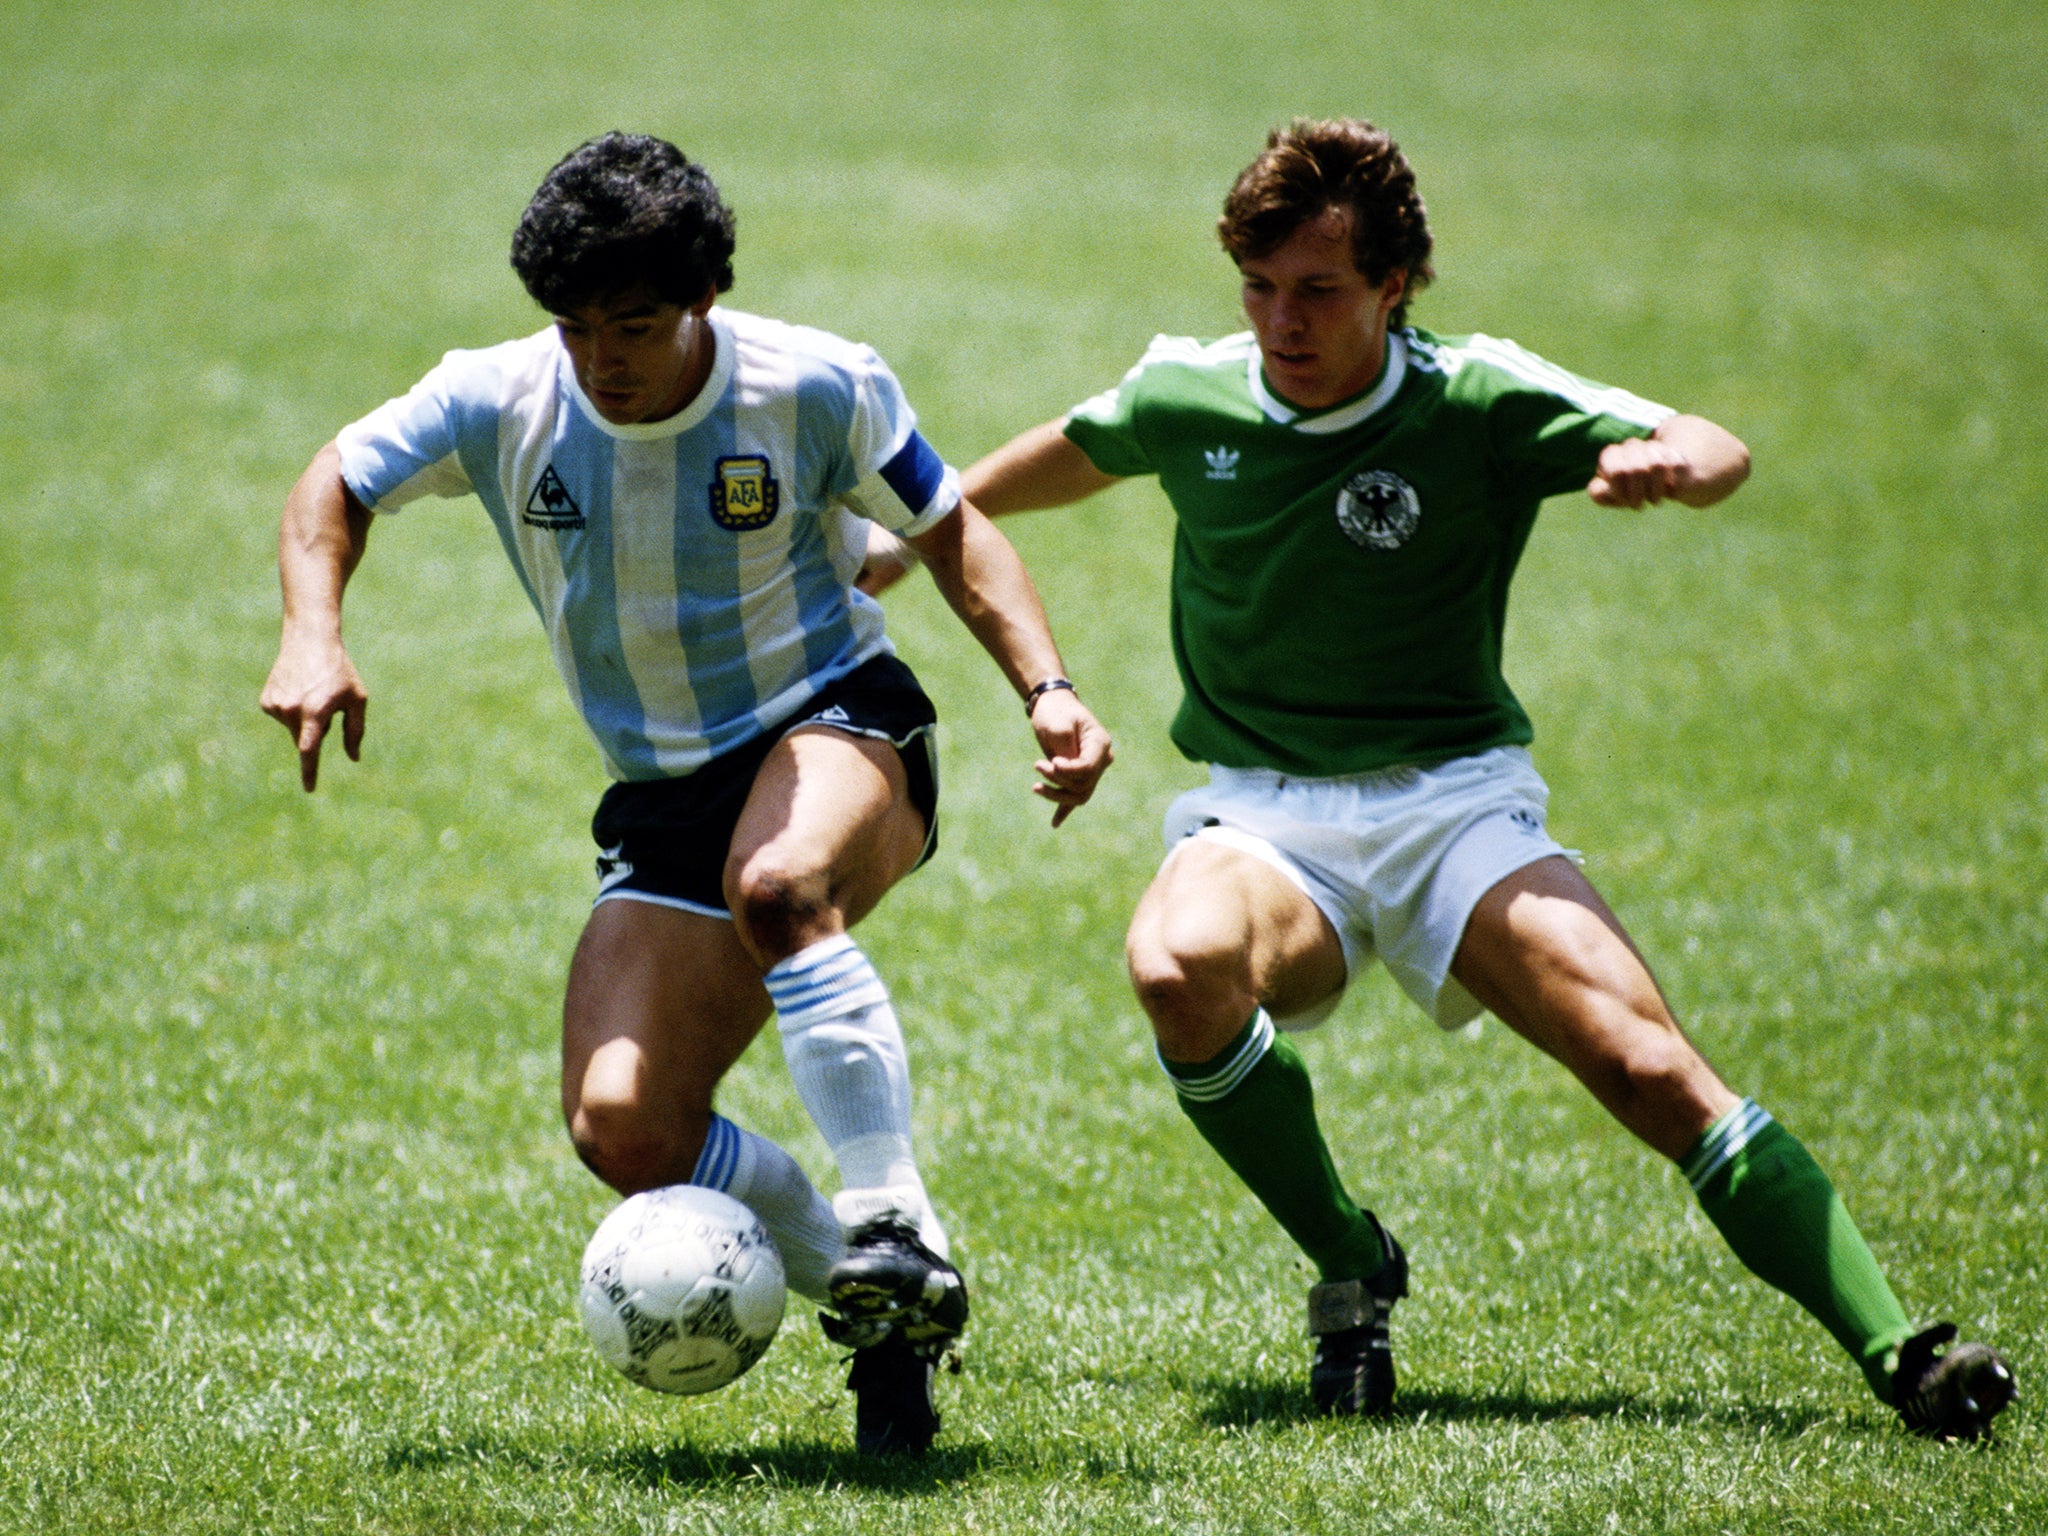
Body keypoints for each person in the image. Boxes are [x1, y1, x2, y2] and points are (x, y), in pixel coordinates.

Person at [914, 117, 2015, 1440]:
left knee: (1644, 1063)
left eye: (1318, 290)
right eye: (1260, 288)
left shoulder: (1479, 397)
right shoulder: (1184, 395)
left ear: (1395, 285)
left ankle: (1904, 1355)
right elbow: (1029, 473)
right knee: (1174, 967)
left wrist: (1680, 466)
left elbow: (1715, 442)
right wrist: (904, 543)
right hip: (1265, 815)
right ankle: (1349, 1259)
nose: (1282, 320)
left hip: (1454, 809)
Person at [260, 131, 1113, 1457]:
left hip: (837, 723)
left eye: (635, 325)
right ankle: (877, 1296)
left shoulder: (816, 384)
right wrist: (313, 631)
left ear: (703, 300)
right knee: (623, 1126)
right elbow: (333, 482)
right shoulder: (495, 398)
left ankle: (889, 1210)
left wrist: (1046, 690)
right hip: (662, 791)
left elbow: (952, 531)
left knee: (779, 885)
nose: (602, 358)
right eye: (576, 325)